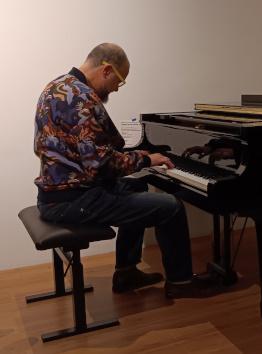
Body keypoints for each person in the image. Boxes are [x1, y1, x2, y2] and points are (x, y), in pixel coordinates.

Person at [34, 43, 215, 297]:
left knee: (137, 186)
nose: (116, 89)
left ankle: (126, 272)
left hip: (56, 193)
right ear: (106, 69)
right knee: (171, 207)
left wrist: (137, 158)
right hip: (74, 199)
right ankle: (181, 282)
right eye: (119, 81)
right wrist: (146, 159)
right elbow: (101, 165)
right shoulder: (82, 98)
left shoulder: (57, 86)